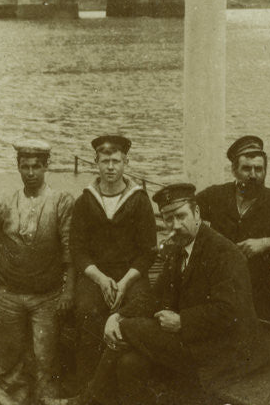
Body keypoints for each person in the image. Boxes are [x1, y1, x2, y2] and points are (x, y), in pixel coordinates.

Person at [89, 182, 268, 405]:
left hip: (228, 350)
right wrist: (117, 315)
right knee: (130, 361)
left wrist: (183, 320)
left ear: (197, 213)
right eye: (168, 219)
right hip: (197, 339)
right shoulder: (179, 248)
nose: (175, 225)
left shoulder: (224, 253)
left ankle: (89, 400)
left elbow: (231, 312)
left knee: (128, 327)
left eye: (181, 216)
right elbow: (155, 296)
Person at [0, 137, 75, 405]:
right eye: (25, 166)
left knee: (46, 356)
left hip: (47, 296)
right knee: (10, 356)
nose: (31, 173)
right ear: (18, 167)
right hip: (9, 295)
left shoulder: (61, 203)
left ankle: (47, 399)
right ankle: (14, 399)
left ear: (47, 166)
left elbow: (71, 251)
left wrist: (68, 289)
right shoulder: (6, 203)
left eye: (37, 166)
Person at [69, 134, 157, 392]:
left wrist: (125, 282)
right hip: (96, 276)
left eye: (116, 161)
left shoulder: (140, 201)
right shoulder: (85, 201)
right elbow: (78, 249)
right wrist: (99, 278)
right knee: (88, 312)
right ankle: (89, 390)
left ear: (125, 163)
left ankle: (126, 386)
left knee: (137, 315)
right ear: (96, 162)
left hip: (131, 276)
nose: (110, 167)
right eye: (105, 161)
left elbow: (148, 251)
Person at [195, 135, 270, 318]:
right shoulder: (215, 195)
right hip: (214, 285)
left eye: (259, 169)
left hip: (257, 292)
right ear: (234, 170)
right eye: (246, 169)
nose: (253, 175)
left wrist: (266, 242)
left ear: (265, 171)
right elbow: (189, 213)